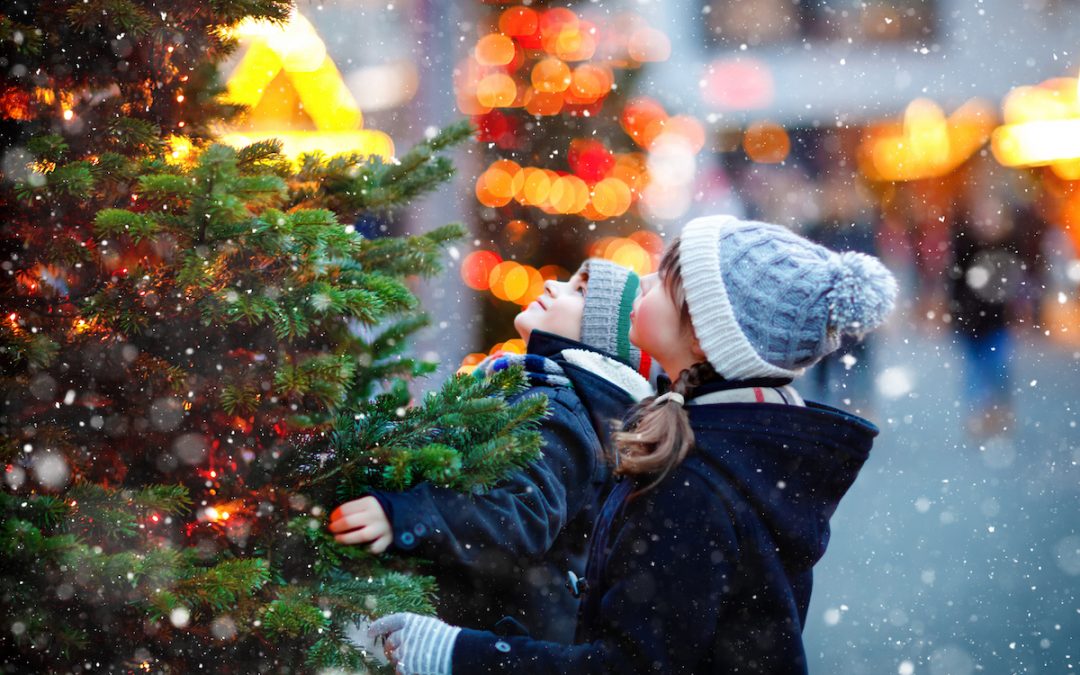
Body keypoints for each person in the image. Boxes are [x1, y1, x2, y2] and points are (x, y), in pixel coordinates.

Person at [367, 214, 897, 674]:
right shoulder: (727, 447)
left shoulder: (695, 486)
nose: (642, 283)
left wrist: (454, 654)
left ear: (702, 334)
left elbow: (626, 665)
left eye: (664, 281)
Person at [329, 259, 653, 643]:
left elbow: (518, 513)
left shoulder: (559, 411)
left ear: (600, 338)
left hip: (500, 637)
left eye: (580, 291)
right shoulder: (542, 392)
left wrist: (406, 515)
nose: (552, 284)